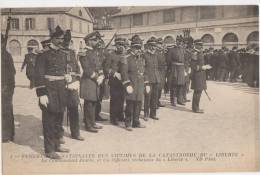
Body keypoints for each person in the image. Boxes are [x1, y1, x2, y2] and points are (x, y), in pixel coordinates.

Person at [34, 26, 70, 159]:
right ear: (53, 39)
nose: (61, 41)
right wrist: (41, 93)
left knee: (58, 119)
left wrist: (68, 77)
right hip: (48, 90)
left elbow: (65, 70)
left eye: (62, 39)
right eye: (59, 39)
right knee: (49, 120)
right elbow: (38, 74)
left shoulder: (63, 53)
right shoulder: (43, 54)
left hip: (61, 90)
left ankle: (57, 145)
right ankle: (49, 150)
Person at [60, 29, 84, 141]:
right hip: (60, 85)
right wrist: (64, 78)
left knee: (74, 109)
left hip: (73, 85)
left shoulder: (72, 52)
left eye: (68, 41)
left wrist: (77, 80)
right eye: (64, 41)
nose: (66, 43)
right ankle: (59, 135)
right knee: (59, 111)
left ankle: (75, 133)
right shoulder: (57, 52)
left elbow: (77, 68)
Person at [121, 34, 148, 131]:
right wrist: (127, 84)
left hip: (140, 85)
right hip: (131, 84)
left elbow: (144, 71)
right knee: (130, 104)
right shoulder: (126, 58)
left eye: (139, 47)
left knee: (138, 104)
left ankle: (136, 122)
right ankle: (128, 123)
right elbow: (124, 73)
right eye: (136, 47)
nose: (138, 50)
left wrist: (146, 83)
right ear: (131, 47)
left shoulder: (141, 58)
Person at [79, 31, 104, 133]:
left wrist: (101, 75)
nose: (97, 41)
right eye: (95, 40)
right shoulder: (84, 53)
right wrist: (96, 77)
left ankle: (92, 122)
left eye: (97, 40)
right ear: (88, 42)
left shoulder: (94, 52)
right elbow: (86, 68)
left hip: (95, 81)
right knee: (89, 103)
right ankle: (88, 125)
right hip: (88, 81)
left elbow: (99, 65)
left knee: (94, 102)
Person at [108, 37, 127, 125]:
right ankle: (113, 118)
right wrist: (114, 73)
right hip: (114, 80)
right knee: (114, 99)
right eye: (119, 45)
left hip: (123, 81)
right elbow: (106, 67)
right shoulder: (111, 54)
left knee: (122, 98)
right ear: (116, 46)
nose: (121, 47)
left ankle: (120, 115)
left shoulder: (125, 55)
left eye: (122, 45)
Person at [1, 34, 16, 142]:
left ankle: (7, 135)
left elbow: (12, 72)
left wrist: (6, 87)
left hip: (6, 87)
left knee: (6, 110)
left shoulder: (6, 55)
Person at [190, 39, 211, 113]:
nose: (201, 46)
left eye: (201, 45)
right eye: (199, 45)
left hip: (201, 75)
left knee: (199, 91)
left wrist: (204, 66)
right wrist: (203, 67)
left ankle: (196, 107)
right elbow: (193, 66)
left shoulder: (200, 52)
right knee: (197, 91)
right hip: (197, 75)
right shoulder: (194, 53)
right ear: (196, 45)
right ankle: (195, 108)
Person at [143, 36, 160, 121]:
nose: (154, 47)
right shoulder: (144, 55)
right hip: (148, 80)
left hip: (156, 79)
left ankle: (153, 114)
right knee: (147, 97)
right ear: (149, 46)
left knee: (155, 97)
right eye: (152, 45)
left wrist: (158, 78)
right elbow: (143, 69)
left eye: (155, 45)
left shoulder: (156, 55)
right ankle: (146, 113)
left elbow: (157, 67)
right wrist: (145, 80)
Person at [165, 36, 186, 106]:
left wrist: (185, 69)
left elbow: (184, 59)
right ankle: (172, 100)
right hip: (174, 69)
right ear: (176, 41)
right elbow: (168, 60)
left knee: (180, 85)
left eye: (181, 41)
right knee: (174, 85)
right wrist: (170, 69)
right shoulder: (172, 50)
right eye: (178, 41)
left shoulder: (183, 49)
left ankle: (179, 99)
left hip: (181, 69)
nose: (180, 43)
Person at [156, 37, 167, 108]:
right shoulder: (155, 52)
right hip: (157, 71)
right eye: (159, 43)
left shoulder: (162, 52)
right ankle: (154, 102)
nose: (160, 45)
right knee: (157, 88)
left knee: (160, 88)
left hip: (162, 72)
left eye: (161, 44)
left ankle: (158, 101)